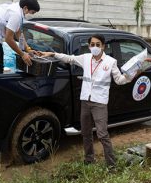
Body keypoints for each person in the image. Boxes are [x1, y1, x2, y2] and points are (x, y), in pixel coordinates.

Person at [41, 34, 133, 167]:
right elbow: (69, 59)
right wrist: (51, 54)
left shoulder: (110, 61)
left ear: (103, 47)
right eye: (92, 44)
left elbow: (119, 80)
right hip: (85, 100)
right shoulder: (86, 58)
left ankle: (112, 164)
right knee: (86, 132)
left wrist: (130, 76)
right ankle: (89, 159)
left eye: (98, 44)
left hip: (100, 102)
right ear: (89, 46)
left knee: (102, 134)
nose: (95, 47)